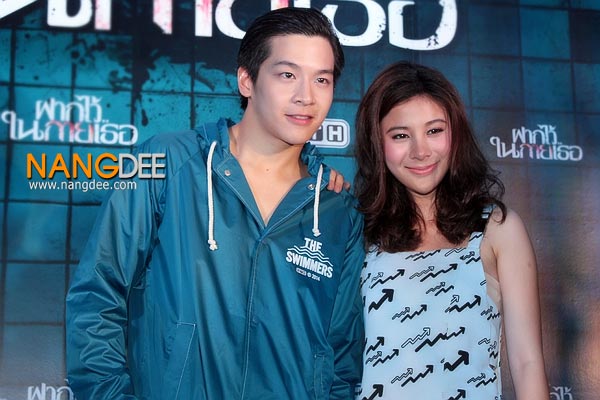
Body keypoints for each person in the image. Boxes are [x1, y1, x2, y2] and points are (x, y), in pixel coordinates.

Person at [65, 7, 365, 400]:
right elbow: (97, 294)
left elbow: (341, 352)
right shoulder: (166, 162)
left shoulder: (338, 209)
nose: (306, 96)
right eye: (287, 75)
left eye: (321, 79)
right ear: (247, 80)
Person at [354, 61, 548, 399]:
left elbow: (526, 363)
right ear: (377, 142)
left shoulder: (497, 229)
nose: (421, 151)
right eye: (401, 135)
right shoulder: (357, 232)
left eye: (434, 131)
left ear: (455, 133)